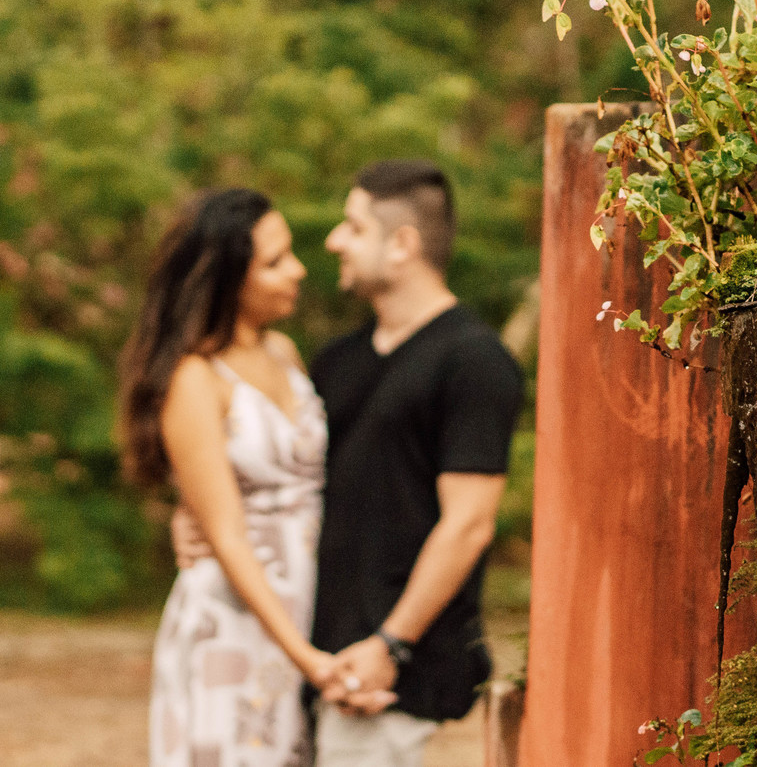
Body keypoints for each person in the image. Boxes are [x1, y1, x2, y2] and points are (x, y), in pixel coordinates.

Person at [175, 160, 524, 766]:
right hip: (315, 659)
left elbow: (468, 523)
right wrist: (193, 512)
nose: (333, 240)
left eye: (354, 227)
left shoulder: (474, 360)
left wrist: (392, 643)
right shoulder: (336, 362)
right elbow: (285, 475)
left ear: (403, 245)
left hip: (394, 673)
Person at [119, 188, 336, 767]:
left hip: (304, 606)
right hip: (235, 622)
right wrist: (305, 656)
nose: (298, 270)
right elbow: (226, 533)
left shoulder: (286, 354)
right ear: (227, 280)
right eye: (274, 262)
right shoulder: (195, 379)